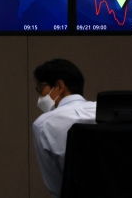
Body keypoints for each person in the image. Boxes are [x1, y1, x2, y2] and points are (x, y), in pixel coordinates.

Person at [32, 59, 96, 198]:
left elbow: (57, 188)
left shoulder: (44, 124)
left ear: (60, 86)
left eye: (41, 88)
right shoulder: (105, 111)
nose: (40, 96)